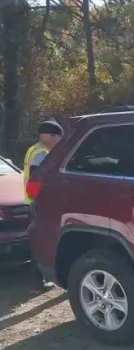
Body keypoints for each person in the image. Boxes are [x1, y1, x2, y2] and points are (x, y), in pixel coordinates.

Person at [24, 120, 64, 290]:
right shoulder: (42, 152)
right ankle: (37, 282)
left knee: (38, 240)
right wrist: (41, 201)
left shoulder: (33, 149)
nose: (59, 142)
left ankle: (37, 281)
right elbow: (36, 178)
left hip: (32, 201)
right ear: (50, 135)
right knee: (41, 241)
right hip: (39, 203)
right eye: (58, 138)